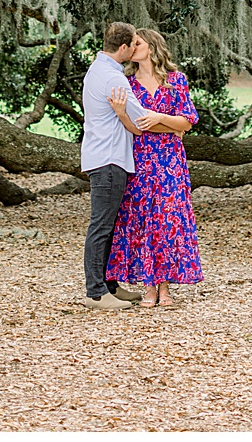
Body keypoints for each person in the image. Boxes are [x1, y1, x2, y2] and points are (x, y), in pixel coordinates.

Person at [105, 26, 204, 307]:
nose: (132, 47)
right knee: (142, 219)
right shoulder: (127, 83)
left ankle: (165, 286)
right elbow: (137, 127)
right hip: (138, 158)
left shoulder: (175, 80)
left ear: (152, 45)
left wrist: (158, 117)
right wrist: (165, 125)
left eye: (138, 42)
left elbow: (187, 122)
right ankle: (148, 286)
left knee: (167, 219)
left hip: (170, 161)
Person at [79, 21, 151, 309]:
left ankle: (109, 285)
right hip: (109, 159)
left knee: (107, 225)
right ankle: (96, 293)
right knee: (101, 226)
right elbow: (141, 120)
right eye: (133, 44)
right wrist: (174, 123)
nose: (135, 49)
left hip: (103, 156)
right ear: (123, 48)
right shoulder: (115, 80)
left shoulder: (97, 70)